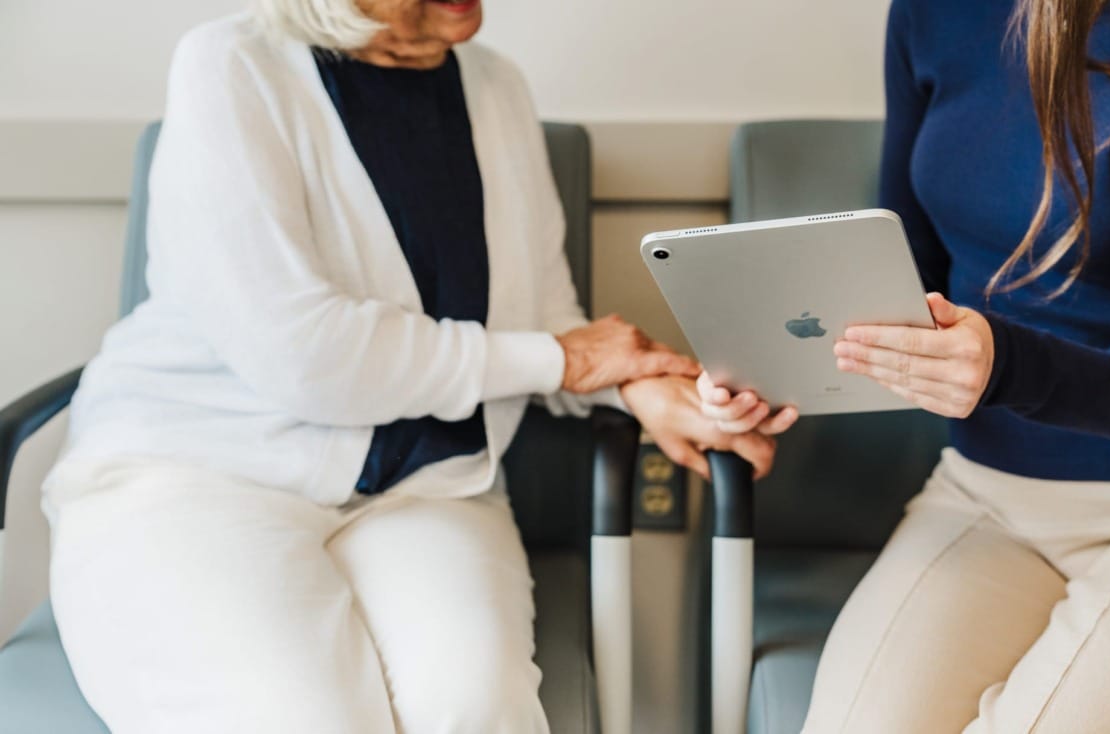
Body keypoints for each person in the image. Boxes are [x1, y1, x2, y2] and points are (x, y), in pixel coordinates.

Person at [41, 1, 777, 731]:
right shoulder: (232, 63)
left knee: (477, 711)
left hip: (428, 486)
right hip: (203, 469)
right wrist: (566, 358)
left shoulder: (496, 87)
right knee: (298, 721)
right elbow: (305, 353)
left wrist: (642, 384)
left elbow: (545, 322)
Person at [701, 0, 1110, 730]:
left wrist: (1009, 368)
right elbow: (905, 280)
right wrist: (778, 369)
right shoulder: (931, 15)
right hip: (984, 495)